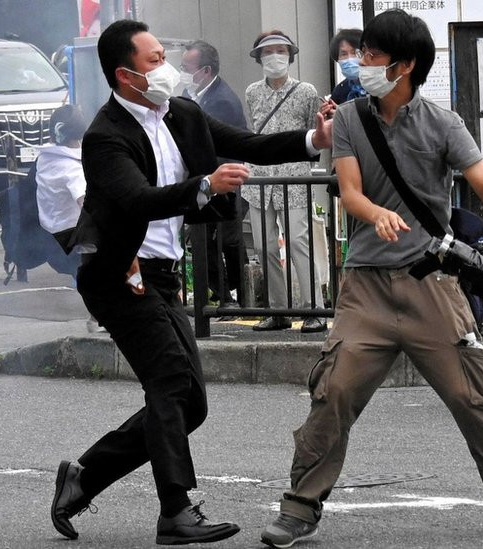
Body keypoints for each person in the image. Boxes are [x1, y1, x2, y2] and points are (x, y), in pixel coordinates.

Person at [260, 10, 483, 547]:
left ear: (405, 65)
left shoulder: (443, 123)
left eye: (372, 55)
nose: (361, 63)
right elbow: (350, 190)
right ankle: (300, 507)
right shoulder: (348, 119)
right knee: (333, 391)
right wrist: (374, 214)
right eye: (362, 53)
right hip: (365, 286)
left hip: (431, 283)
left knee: (473, 394)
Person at [51, 19, 332, 546]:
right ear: (125, 74)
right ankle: (175, 512)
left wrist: (315, 137)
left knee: (190, 403)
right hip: (121, 275)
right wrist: (202, 185)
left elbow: (246, 143)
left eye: (166, 56)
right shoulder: (106, 136)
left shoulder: (181, 113)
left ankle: (85, 477)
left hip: (162, 273)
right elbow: (136, 200)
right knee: (170, 385)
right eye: (155, 60)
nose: (168, 68)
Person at [242, 30, 328, 333]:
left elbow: (313, 135)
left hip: (294, 178)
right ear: (259, 58)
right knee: (264, 247)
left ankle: (313, 308)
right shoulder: (252, 91)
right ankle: (277, 311)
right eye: (268, 52)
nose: (274, 57)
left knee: (298, 243)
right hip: (258, 178)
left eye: (280, 50)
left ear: (290, 55)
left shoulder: (306, 91)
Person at [179, 39, 249, 311]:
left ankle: (234, 297)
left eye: (187, 67)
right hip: (206, 183)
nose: (182, 72)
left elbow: (217, 148)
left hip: (222, 183)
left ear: (206, 71)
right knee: (205, 243)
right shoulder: (192, 95)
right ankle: (225, 296)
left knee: (226, 242)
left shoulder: (222, 101)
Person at [34, 105, 104, 333]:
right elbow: (86, 202)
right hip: (72, 234)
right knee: (116, 255)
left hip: (50, 234)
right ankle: (99, 317)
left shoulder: (47, 158)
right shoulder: (70, 167)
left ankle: (100, 315)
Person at [329, 28, 366, 105]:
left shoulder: (377, 85)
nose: (349, 59)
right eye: (344, 54)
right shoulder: (340, 90)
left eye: (354, 53)